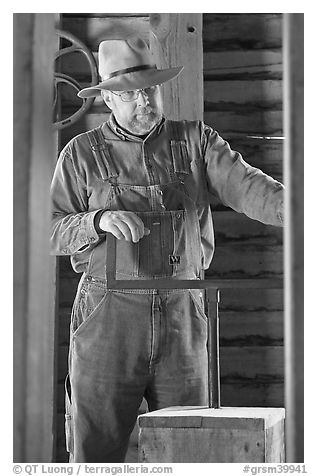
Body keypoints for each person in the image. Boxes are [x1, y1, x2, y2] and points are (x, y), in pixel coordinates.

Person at [50, 37, 284, 463]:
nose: (143, 101)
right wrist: (96, 220)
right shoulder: (80, 154)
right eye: (129, 93)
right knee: (95, 448)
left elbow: (251, 188)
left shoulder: (197, 141)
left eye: (150, 89)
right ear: (107, 98)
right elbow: (46, 229)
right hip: (108, 318)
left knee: (190, 445)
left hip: (183, 315)